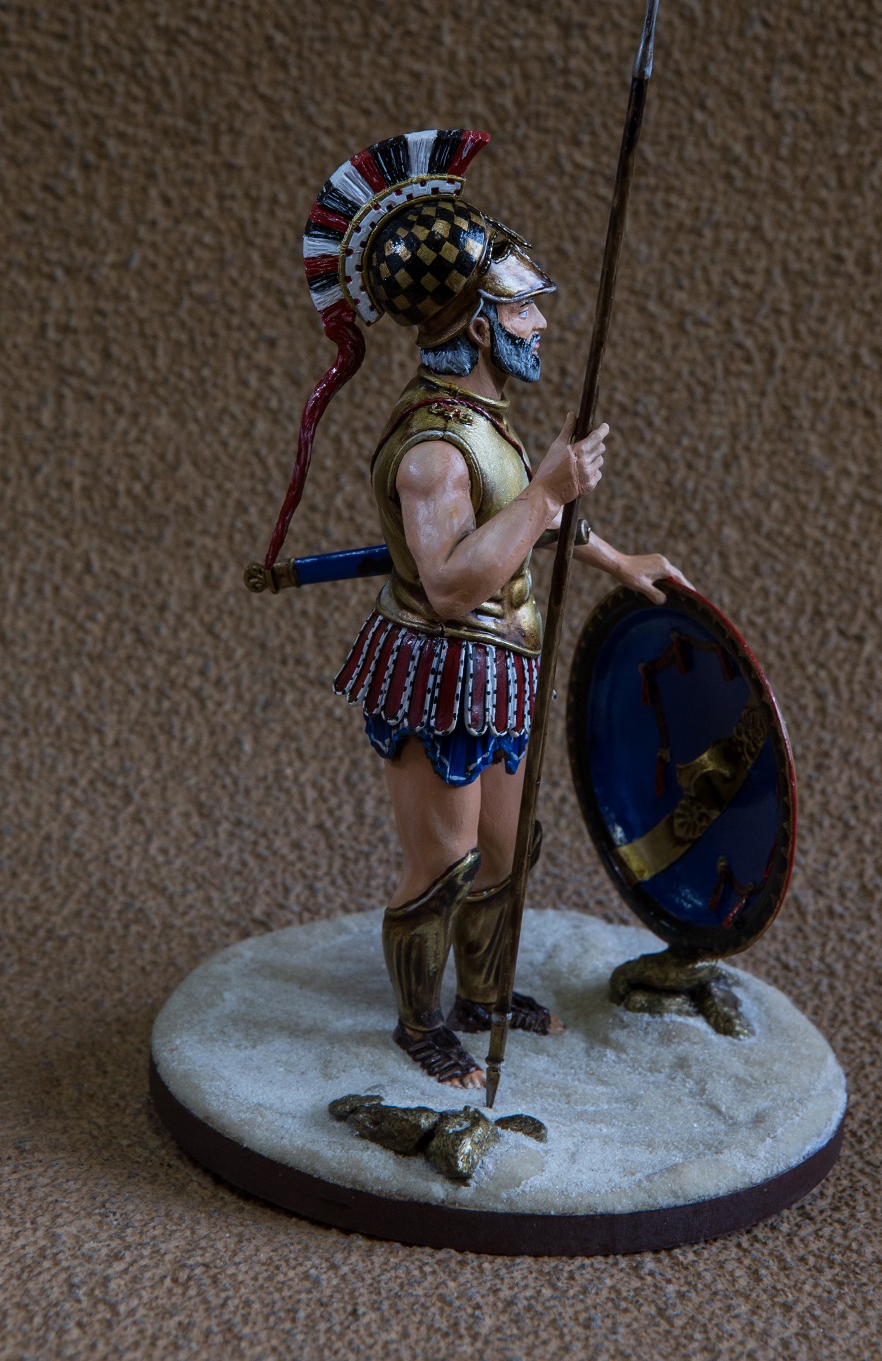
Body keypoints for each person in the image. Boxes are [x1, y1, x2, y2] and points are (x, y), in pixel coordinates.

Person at [263, 128, 688, 1089]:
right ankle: (422, 1026)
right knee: (445, 861)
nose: (541, 322)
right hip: (441, 664)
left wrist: (613, 558)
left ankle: (484, 996)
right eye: (523, 306)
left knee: (507, 848)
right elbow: (454, 583)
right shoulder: (433, 452)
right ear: (479, 325)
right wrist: (546, 491)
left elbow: (525, 523)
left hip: (503, 660)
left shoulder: (486, 423)